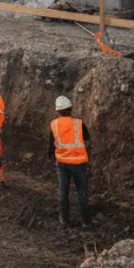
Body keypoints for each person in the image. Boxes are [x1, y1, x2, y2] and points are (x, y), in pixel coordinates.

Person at [48, 95, 93, 228]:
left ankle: (64, 219)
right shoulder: (79, 123)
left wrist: (52, 156)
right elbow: (87, 139)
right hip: (79, 164)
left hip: (62, 164)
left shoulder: (54, 125)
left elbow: (50, 146)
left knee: (63, 191)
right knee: (82, 193)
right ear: (70, 109)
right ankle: (85, 221)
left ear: (58, 111)